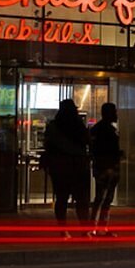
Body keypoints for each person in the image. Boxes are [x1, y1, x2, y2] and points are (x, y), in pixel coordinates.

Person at [41, 98, 90, 236]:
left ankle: (63, 229)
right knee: (81, 199)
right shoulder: (78, 125)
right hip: (78, 166)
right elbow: (87, 141)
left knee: (61, 199)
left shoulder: (53, 126)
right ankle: (84, 230)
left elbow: (47, 145)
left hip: (59, 166)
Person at [89, 102, 123, 236]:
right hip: (107, 168)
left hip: (102, 167)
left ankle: (95, 226)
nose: (117, 115)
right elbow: (106, 150)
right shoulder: (108, 130)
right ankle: (98, 226)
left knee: (101, 198)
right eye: (115, 112)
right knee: (104, 198)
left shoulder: (97, 129)